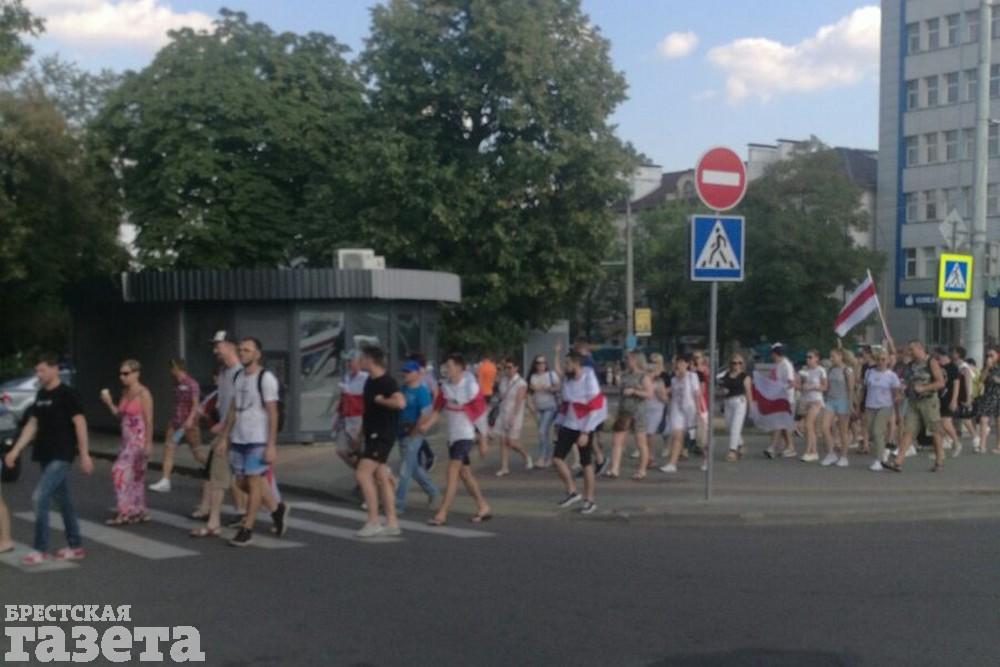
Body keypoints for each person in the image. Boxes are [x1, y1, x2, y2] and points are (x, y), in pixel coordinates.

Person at [4, 354, 94, 565]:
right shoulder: (41, 394)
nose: (39, 374)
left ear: (55, 369)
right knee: (64, 501)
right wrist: (15, 450)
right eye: (37, 371)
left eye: (42, 370)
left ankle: (40, 549)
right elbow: (32, 424)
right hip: (45, 454)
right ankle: (75, 545)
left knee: (39, 497)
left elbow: (80, 423)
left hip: (62, 455)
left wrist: (84, 454)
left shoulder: (68, 394)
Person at [218, 337, 289, 546]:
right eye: (240, 349)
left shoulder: (266, 378)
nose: (242, 353)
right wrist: (224, 437)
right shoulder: (238, 376)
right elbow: (233, 407)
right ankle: (276, 508)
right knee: (241, 482)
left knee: (254, 482)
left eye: (247, 350)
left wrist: (271, 445)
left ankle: (247, 528)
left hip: (257, 438)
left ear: (257, 354)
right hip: (239, 437)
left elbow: (273, 412)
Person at [422, 354, 492, 526]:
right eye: (445, 366)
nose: (446, 369)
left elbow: (481, 415)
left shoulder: (470, 387)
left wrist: (483, 440)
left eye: (450, 366)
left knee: (452, 472)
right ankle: (483, 506)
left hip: (465, 435)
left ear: (460, 367)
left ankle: (442, 513)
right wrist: (425, 426)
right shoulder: (445, 386)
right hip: (452, 436)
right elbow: (437, 410)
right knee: (465, 474)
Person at [190, 332, 241, 538]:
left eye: (218, 346)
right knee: (217, 475)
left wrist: (224, 429)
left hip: (238, 433)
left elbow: (238, 406)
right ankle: (214, 521)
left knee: (252, 480)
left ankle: (275, 508)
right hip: (226, 433)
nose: (215, 351)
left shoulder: (239, 373)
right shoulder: (224, 372)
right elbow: (224, 403)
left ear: (230, 346)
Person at [354, 346, 405, 538]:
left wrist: (381, 400)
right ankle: (392, 522)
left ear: (370, 359)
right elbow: (368, 411)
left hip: (383, 435)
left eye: (362, 358)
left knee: (362, 473)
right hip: (372, 434)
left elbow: (400, 402)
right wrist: (360, 434)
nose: (359, 361)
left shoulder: (386, 382)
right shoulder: (370, 381)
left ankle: (373, 520)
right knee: (382, 477)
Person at [551, 350, 607, 514]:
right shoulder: (568, 380)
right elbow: (565, 404)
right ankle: (572, 491)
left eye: (568, 363)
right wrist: (559, 422)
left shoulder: (589, 379)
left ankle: (590, 500)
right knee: (557, 458)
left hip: (583, 425)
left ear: (576, 364)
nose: (565, 366)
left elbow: (595, 407)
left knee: (586, 463)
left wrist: (586, 432)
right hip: (568, 424)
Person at [99, 359, 154, 525]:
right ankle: (138, 510)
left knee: (119, 471)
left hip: (138, 440)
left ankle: (124, 511)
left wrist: (149, 443)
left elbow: (149, 420)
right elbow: (120, 416)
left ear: (136, 374)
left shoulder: (144, 393)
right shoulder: (125, 392)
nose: (122, 377)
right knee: (136, 477)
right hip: (126, 440)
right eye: (121, 374)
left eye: (126, 373)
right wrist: (109, 403)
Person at [884, 341, 945, 472]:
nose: (909, 352)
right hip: (913, 401)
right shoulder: (910, 365)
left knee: (934, 430)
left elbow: (940, 382)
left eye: (911, 350)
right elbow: (907, 382)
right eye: (909, 350)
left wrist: (924, 388)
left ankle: (939, 459)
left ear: (920, 348)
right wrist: (903, 390)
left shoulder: (931, 362)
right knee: (908, 430)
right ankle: (898, 461)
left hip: (929, 401)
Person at [149, 358, 203, 493]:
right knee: (169, 448)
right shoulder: (177, 384)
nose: (171, 372)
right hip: (176, 422)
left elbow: (195, 404)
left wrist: (190, 420)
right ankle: (165, 480)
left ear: (176, 368)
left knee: (197, 453)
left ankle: (215, 469)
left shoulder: (192, 384)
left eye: (172, 368)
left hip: (189, 423)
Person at [395, 360, 439, 513]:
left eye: (408, 372)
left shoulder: (422, 392)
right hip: (402, 432)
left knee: (405, 469)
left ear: (416, 373)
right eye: (404, 371)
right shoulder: (403, 389)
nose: (405, 374)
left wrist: (415, 431)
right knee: (413, 467)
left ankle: (398, 503)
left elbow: (425, 414)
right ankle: (433, 491)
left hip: (414, 433)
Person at [608, 350, 653, 480]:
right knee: (617, 440)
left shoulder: (643, 376)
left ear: (636, 360)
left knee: (640, 442)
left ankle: (642, 470)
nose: (626, 361)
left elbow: (649, 394)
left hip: (638, 412)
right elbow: (621, 393)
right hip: (624, 410)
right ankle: (615, 468)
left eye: (629, 359)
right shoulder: (625, 375)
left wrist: (634, 391)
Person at [660, 353, 700, 474]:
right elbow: (670, 392)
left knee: (698, 438)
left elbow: (697, 394)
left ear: (687, 364)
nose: (680, 365)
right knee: (677, 435)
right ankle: (672, 463)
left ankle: (706, 459)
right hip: (677, 409)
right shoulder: (674, 379)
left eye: (682, 362)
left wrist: (698, 411)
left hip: (690, 410)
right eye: (678, 362)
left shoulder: (692, 376)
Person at [863, 350, 902, 471]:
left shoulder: (891, 376)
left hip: (885, 406)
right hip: (870, 405)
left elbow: (896, 394)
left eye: (883, 359)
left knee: (877, 431)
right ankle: (882, 451)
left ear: (888, 361)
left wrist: (896, 411)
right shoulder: (869, 372)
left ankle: (879, 460)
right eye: (878, 359)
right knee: (871, 432)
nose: (880, 362)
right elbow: (864, 389)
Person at [331, 350, 368, 476]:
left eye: (350, 361)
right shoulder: (346, 377)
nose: (348, 364)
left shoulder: (365, 378)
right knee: (341, 450)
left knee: (360, 451)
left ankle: (364, 477)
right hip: (346, 418)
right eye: (347, 362)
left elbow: (364, 402)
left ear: (359, 362)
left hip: (359, 418)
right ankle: (363, 474)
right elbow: (342, 400)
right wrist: (336, 417)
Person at [495, 358, 532, 476]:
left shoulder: (521, 383)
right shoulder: (503, 380)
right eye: (506, 367)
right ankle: (504, 467)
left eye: (510, 367)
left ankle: (526, 455)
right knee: (502, 441)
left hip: (515, 413)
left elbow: (519, 401)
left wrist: (513, 416)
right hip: (503, 412)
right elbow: (500, 395)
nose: (508, 370)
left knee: (511, 442)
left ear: (516, 368)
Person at [821, 348, 854, 468]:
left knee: (843, 430)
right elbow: (828, 386)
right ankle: (831, 453)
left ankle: (844, 457)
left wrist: (850, 404)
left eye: (833, 356)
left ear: (840, 356)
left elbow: (851, 389)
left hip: (843, 401)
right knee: (824, 426)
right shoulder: (831, 369)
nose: (831, 359)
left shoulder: (847, 370)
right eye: (830, 356)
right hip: (830, 400)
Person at [764, 344, 799, 459]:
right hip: (779, 398)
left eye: (772, 353)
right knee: (783, 425)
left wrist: (780, 388)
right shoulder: (778, 365)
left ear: (775, 353)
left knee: (780, 423)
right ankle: (789, 447)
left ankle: (773, 447)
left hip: (787, 399)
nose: (771, 355)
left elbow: (792, 383)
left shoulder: (786, 365)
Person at [527, 355, 560, 468]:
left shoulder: (551, 374)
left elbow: (558, 387)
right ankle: (548, 457)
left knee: (542, 431)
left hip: (550, 406)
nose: (541, 365)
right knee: (543, 433)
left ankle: (542, 457)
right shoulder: (533, 376)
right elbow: (531, 391)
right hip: (538, 407)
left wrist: (547, 388)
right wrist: (530, 404)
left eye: (543, 363)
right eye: (538, 363)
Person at [720, 354, 753, 462]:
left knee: (735, 426)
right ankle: (741, 444)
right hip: (728, 401)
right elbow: (723, 386)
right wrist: (723, 391)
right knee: (729, 426)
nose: (737, 365)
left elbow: (748, 392)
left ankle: (732, 450)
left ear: (743, 364)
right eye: (734, 363)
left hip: (740, 401)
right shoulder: (727, 375)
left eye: (739, 363)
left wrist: (751, 407)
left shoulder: (745, 377)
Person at [798, 350, 827, 463]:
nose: (808, 359)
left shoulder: (820, 370)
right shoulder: (804, 370)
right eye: (807, 357)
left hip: (816, 400)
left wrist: (814, 386)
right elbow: (799, 384)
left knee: (808, 424)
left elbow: (825, 387)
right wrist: (801, 386)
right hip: (806, 399)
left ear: (816, 358)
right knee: (809, 428)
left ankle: (808, 451)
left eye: (810, 357)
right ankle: (814, 451)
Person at [935, 347, 964, 459]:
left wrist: (954, 400)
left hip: (949, 397)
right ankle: (940, 451)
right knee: (937, 425)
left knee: (945, 421)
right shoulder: (937, 366)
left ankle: (956, 442)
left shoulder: (953, 367)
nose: (938, 359)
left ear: (945, 356)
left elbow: (956, 384)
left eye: (939, 357)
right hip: (938, 398)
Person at [975, 347, 1000, 454]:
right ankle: (982, 446)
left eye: (991, 355)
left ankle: (998, 446)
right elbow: (981, 380)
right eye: (987, 356)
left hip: (998, 396)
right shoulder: (986, 368)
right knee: (983, 419)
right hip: (988, 396)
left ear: (997, 356)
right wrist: (987, 368)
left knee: (998, 421)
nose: (989, 357)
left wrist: (998, 380)